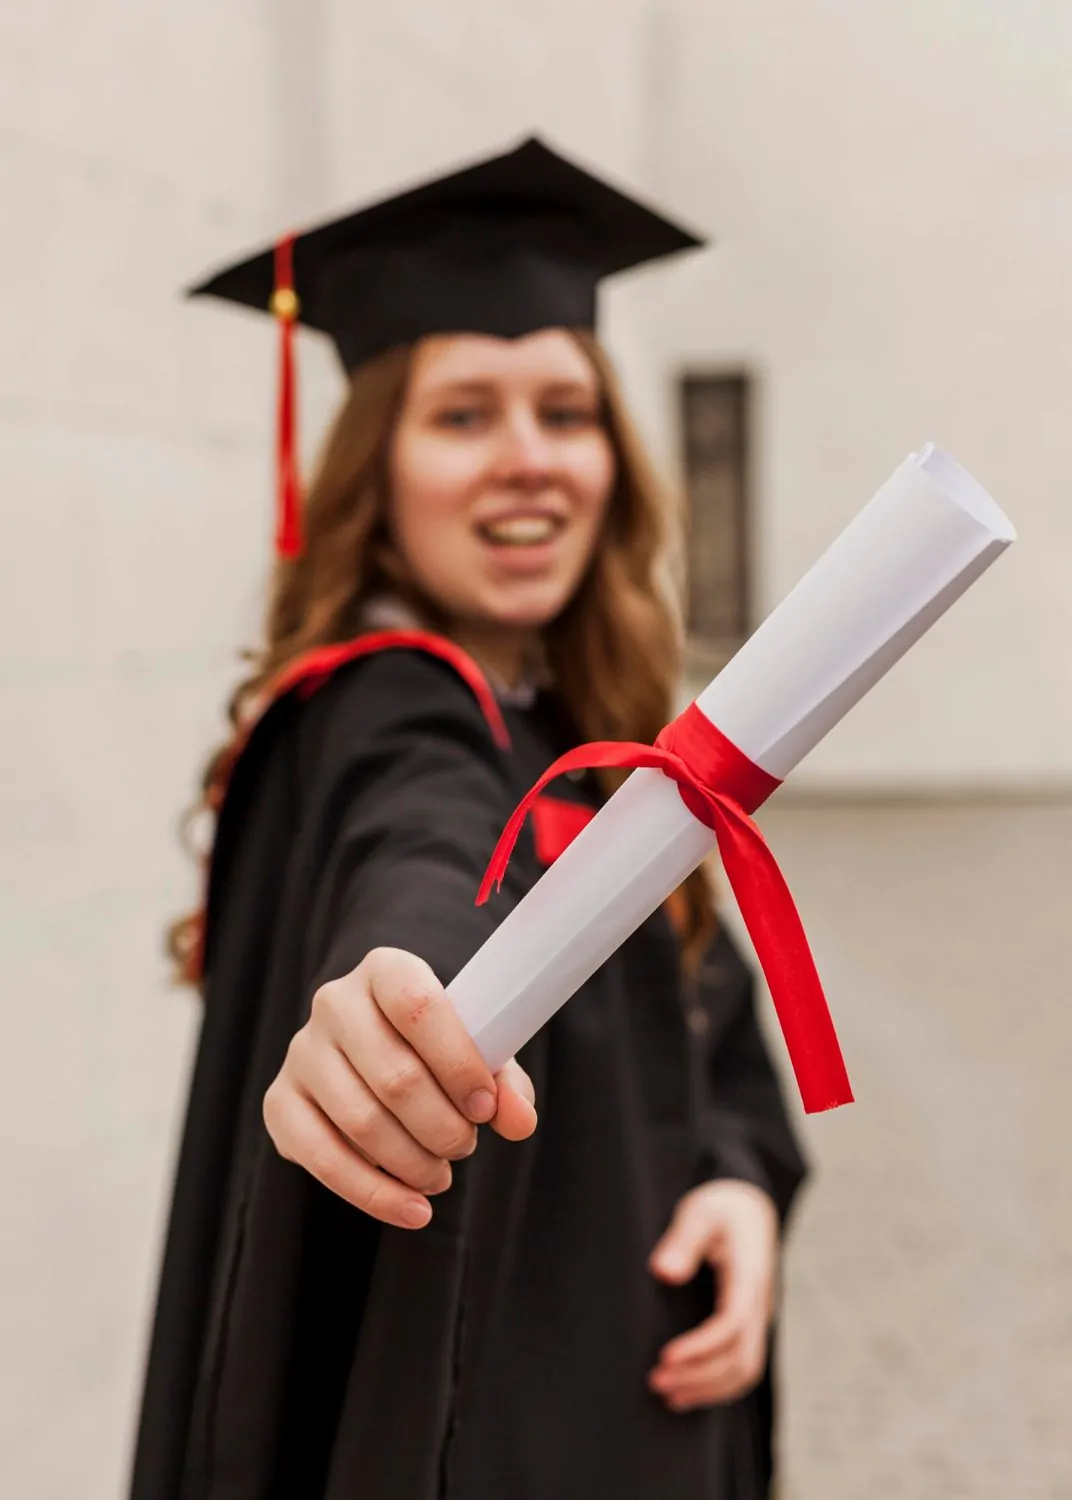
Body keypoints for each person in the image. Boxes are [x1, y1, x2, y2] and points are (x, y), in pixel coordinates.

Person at [129, 136, 807, 1500]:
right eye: (463, 415)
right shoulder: (386, 710)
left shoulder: (577, 732)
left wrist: (738, 1180)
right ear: (374, 470)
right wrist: (393, 1005)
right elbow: (423, 855)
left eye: (565, 412)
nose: (529, 461)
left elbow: (711, 1009)